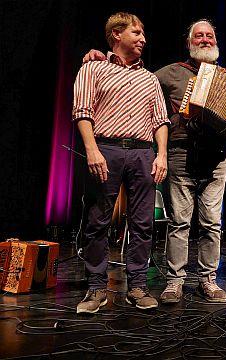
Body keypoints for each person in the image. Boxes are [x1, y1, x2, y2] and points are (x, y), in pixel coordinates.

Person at [82, 19, 226, 303]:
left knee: (212, 223)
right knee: (179, 222)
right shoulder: (169, 73)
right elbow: (134, 84)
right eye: (198, 36)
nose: (204, 40)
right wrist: (99, 56)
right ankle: (175, 281)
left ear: (216, 41)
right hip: (180, 154)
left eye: (209, 36)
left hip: (217, 157)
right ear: (189, 43)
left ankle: (208, 281)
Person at [73, 12, 169, 314]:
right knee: (98, 221)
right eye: (136, 33)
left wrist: (162, 154)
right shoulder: (93, 68)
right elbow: (82, 111)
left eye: (143, 34)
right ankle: (96, 288)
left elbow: (161, 120)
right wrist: (91, 150)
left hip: (142, 152)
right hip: (106, 149)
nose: (143, 39)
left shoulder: (149, 78)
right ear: (116, 34)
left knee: (142, 222)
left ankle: (138, 285)